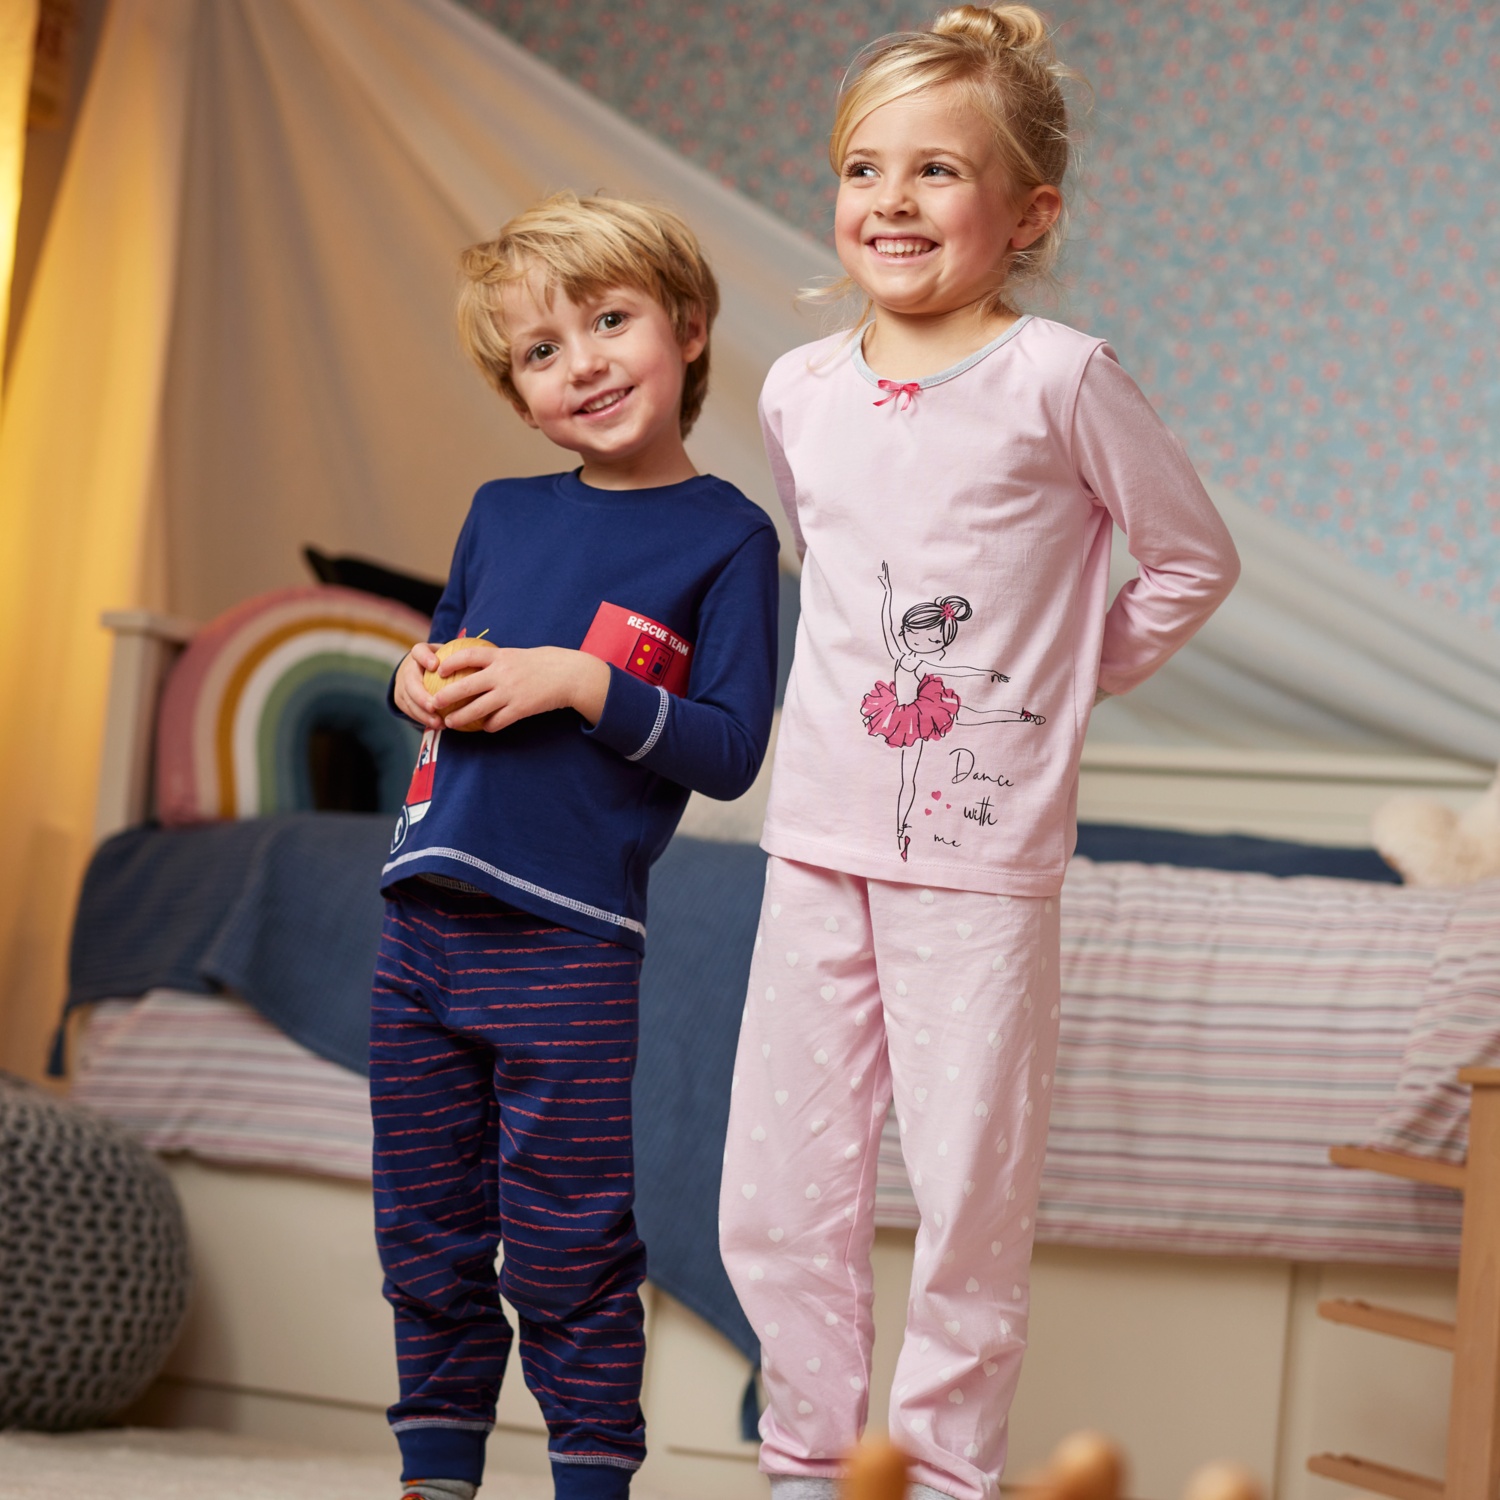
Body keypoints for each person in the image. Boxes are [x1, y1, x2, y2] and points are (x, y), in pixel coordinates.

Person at [718, 9, 1240, 1500]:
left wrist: (1060, 685)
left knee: (968, 1197)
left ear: (1029, 215)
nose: (890, 200)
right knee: (778, 1191)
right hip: (816, 837)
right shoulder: (798, 389)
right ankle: (810, 1466)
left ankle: (946, 1477)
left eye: (936, 170)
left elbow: (1190, 560)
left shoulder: (1060, 377)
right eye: (863, 167)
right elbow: (833, 577)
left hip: (980, 861)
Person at [372, 192, 779, 1500]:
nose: (584, 364)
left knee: (567, 1244)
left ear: (690, 328)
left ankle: (591, 1480)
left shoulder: (729, 536)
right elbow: (441, 651)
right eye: (542, 351)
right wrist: (409, 675)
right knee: (423, 1233)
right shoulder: (499, 511)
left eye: (610, 322)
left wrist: (582, 681)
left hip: (569, 942)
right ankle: (435, 1474)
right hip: (421, 922)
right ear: (520, 394)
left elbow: (730, 749)